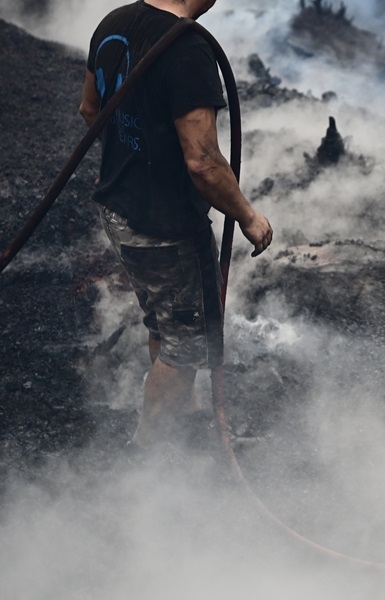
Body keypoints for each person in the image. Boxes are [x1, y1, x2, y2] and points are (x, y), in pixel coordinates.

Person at [79, 0, 273, 453]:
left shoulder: (114, 23)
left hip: (120, 212)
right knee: (186, 345)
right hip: (163, 228)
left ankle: (180, 420)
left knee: (167, 323)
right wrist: (248, 217)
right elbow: (203, 162)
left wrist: (126, 159)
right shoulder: (187, 51)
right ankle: (150, 453)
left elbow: (90, 109)